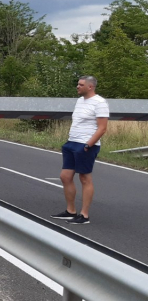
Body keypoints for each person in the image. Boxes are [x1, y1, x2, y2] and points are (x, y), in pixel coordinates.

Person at [50, 76, 109, 225]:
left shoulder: (100, 103)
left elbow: (102, 128)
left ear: (90, 87)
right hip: (72, 142)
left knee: (84, 178)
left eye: (81, 84)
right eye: (78, 84)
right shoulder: (80, 101)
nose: (77, 86)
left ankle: (84, 216)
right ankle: (70, 211)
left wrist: (88, 145)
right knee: (65, 176)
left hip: (86, 144)